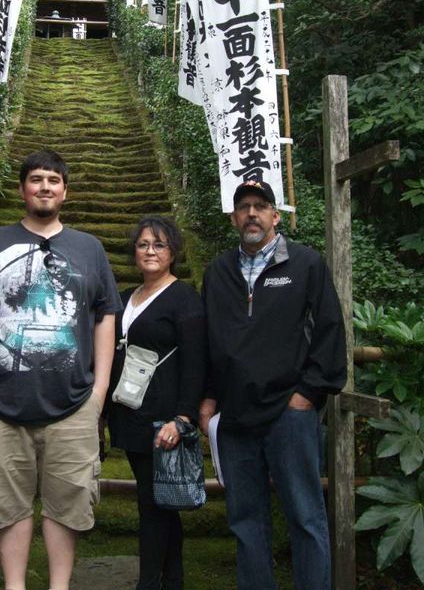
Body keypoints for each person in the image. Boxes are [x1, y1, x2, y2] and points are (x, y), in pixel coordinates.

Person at [0, 149, 121, 590]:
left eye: (53, 179)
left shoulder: (89, 248)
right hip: (0, 402)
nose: (44, 186)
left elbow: (107, 314)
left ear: (65, 190)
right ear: (23, 188)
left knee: (67, 504)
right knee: (5, 504)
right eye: (36, 179)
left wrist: (99, 390)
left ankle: (59, 586)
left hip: (72, 402)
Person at [199, 180, 347, 590]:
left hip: (290, 413)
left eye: (261, 206)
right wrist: (209, 397)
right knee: (245, 520)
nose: (252, 214)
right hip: (235, 416)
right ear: (233, 218)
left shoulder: (305, 265)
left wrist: (309, 394)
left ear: (275, 215)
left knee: (305, 515)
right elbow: (209, 341)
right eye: (244, 207)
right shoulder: (218, 272)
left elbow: (330, 331)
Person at [107, 216, 206, 590]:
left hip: (162, 420)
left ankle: (150, 582)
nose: (150, 251)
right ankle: (171, 580)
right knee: (156, 503)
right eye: (144, 244)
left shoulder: (184, 299)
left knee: (153, 506)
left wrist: (182, 417)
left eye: (159, 244)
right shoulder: (125, 297)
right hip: (128, 414)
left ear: (173, 252)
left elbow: (196, 363)